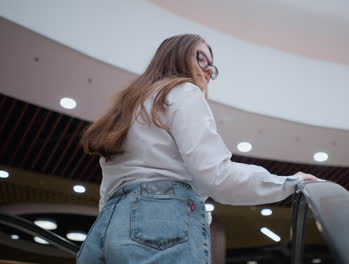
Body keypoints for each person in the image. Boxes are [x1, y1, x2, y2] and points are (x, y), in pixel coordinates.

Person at [77, 34, 319, 264]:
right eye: (200, 58)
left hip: (106, 226)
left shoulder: (129, 105)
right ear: (175, 55)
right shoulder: (183, 91)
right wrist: (287, 183)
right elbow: (217, 176)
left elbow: (109, 187)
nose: (208, 70)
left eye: (212, 67)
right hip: (162, 219)